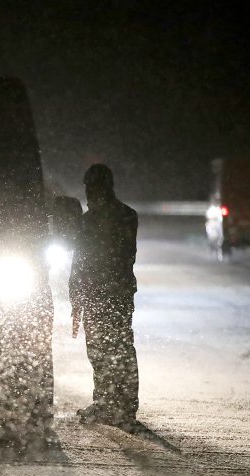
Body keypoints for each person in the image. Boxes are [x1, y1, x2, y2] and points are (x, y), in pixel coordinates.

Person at [70, 163, 139, 429]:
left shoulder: (92, 220)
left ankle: (108, 403)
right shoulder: (127, 215)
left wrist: (77, 299)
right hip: (118, 293)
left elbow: (82, 263)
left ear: (97, 187)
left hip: (100, 294)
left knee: (102, 350)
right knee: (119, 347)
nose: (88, 193)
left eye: (90, 187)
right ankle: (123, 406)